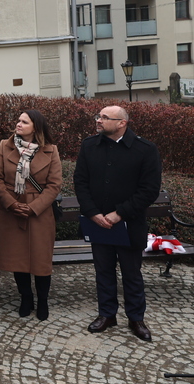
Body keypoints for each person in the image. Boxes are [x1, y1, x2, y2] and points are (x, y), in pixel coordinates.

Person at [74, 105, 161, 342]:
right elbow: (80, 182)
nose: (98, 121)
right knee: (103, 271)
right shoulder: (89, 146)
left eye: (104, 117)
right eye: (98, 116)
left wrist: (119, 213)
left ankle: (136, 318)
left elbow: (149, 189)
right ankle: (107, 315)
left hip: (129, 224)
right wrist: (92, 213)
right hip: (97, 223)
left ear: (122, 123)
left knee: (132, 274)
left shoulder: (145, 149)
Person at [0, 110, 62, 321]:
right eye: (18, 120)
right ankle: (26, 298)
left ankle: (42, 300)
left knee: (41, 260)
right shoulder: (4, 146)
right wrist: (11, 204)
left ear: (36, 127)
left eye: (24, 121)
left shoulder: (51, 150)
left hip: (39, 212)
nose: (18, 124)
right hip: (11, 212)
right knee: (18, 258)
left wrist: (34, 207)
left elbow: (54, 185)